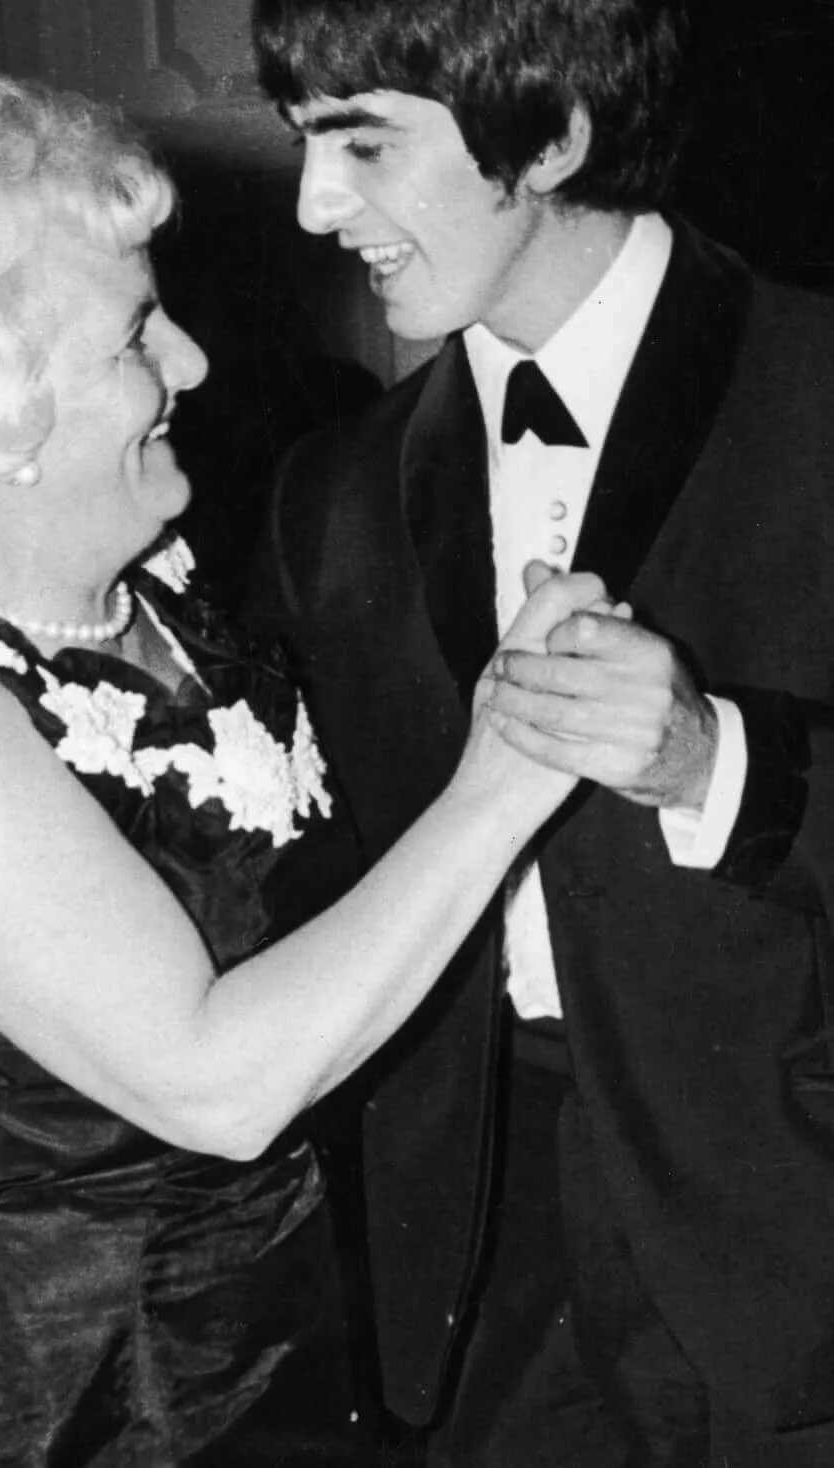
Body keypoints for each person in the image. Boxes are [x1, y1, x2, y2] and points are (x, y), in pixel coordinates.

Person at [0, 72, 612, 1466]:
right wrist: (508, 771)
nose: (192, 365)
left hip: (253, 1375)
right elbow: (215, 1082)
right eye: (137, 332)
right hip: (58, 1417)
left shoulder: (165, 618)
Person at [246, 1, 834, 1462]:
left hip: (797, 1250)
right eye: (306, 145)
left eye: (364, 142)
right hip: (476, 1287)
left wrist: (720, 762)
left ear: (556, 137)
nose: (318, 207)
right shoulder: (331, 494)